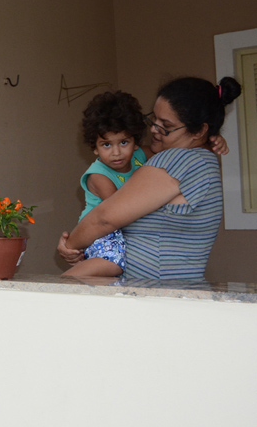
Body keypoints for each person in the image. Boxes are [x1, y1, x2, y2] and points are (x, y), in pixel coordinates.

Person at [59, 76, 241, 280]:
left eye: (166, 125)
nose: (154, 129)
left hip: (157, 294)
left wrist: (70, 246)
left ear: (199, 130)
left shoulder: (178, 160)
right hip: (164, 290)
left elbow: (104, 218)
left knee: (61, 289)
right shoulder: (200, 160)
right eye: (154, 119)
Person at [66, 91, 149, 277]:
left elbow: (172, 148)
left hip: (120, 229)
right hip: (99, 232)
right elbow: (116, 211)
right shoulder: (99, 175)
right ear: (94, 147)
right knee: (113, 265)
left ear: (135, 141)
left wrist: (212, 139)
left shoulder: (140, 155)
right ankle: (68, 280)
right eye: (106, 145)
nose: (116, 153)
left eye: (124, 142)